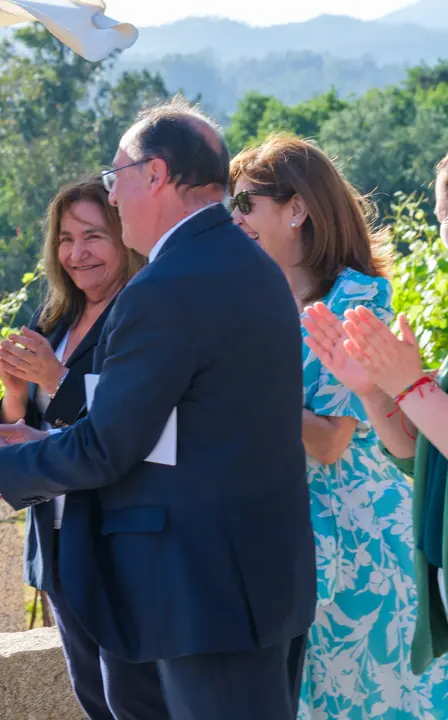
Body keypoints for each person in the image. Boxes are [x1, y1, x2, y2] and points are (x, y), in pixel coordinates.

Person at [0, 98, 316, 720]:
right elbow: (191, 423)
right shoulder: (251, 265)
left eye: (116, 179)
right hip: (263, 578)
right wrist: (33, 444)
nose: (113, 196)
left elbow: (110, 446)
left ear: (155, 175)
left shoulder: (165, 287)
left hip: (203, 592)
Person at [229, 134, 448, 718]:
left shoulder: (358, 301)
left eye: (246, 202)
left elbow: (329, 442)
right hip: (282, 536)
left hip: (356, 542)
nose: (235, 217)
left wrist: (241, 389)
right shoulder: (249, 305)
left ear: (296, 209)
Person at [0, 175, 164, 718]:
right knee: (93, 697)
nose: (76, 253)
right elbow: (23, 425)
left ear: (123, 236)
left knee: (133, 699)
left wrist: (57, 377)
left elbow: (136, 423)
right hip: (56, 542)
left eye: (93, 236)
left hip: (117, 542)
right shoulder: (52, 320)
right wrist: (15, 395)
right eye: (65, 239)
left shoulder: (142, 314)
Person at [301, 149, 448, 683]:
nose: (445, 226)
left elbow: (331, 442)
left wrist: (410, 385)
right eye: (441, 214)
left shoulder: (359, 295)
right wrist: (372, 392)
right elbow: (416, 455)